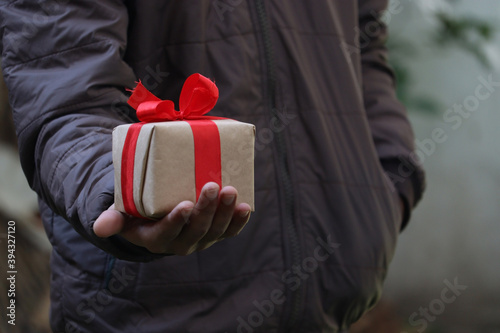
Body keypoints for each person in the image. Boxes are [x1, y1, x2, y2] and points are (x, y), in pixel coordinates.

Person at [0, 1, 425, 332]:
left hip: (331, 300)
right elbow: (63, 87)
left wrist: (391, 178)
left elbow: (364, 40)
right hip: (149, 310)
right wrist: (125, 194)